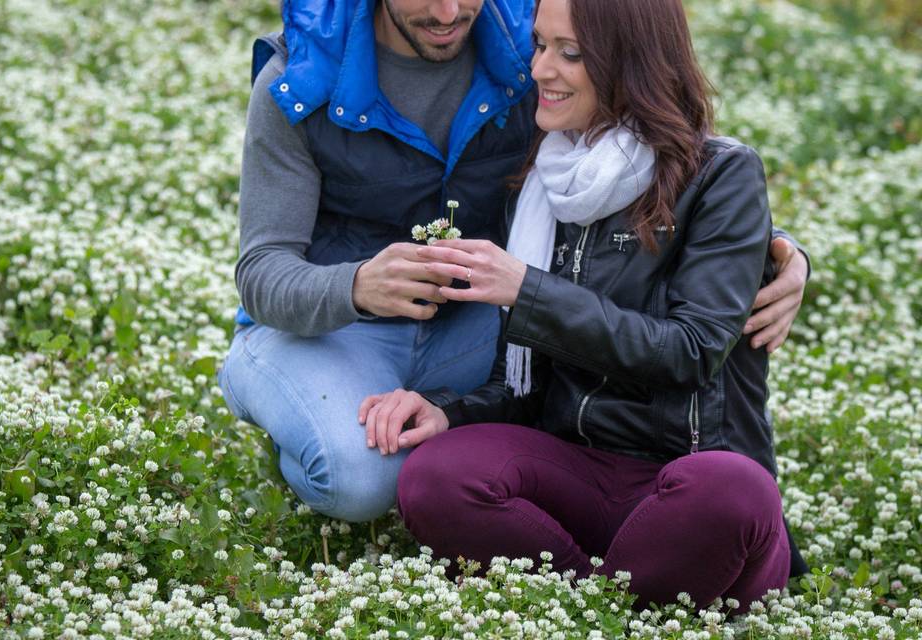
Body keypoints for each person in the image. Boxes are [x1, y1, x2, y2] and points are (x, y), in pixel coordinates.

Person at [218, 0, 809, 524]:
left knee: (520, 426)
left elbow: (646, 144)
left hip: (480, 325)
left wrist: (768, 244)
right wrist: (358, 285)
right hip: (339, 329)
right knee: (357, 483)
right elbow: (261, 272)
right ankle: (295, 412)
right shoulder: (298, 78)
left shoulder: (527, 47)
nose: (450, 13)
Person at [358, 0, 807, 611]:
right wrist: (448, 415)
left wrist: (529, 290)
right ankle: (610, 605)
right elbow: (522, 385)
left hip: (690, 477)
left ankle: (594, 604)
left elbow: (690, 353)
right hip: (577, 472)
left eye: (570, 53)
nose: (542, 68)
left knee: (732, 492)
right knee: (439, 474)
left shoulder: (719, 175)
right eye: (540, 45)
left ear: (634, 62)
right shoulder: (545, 180)